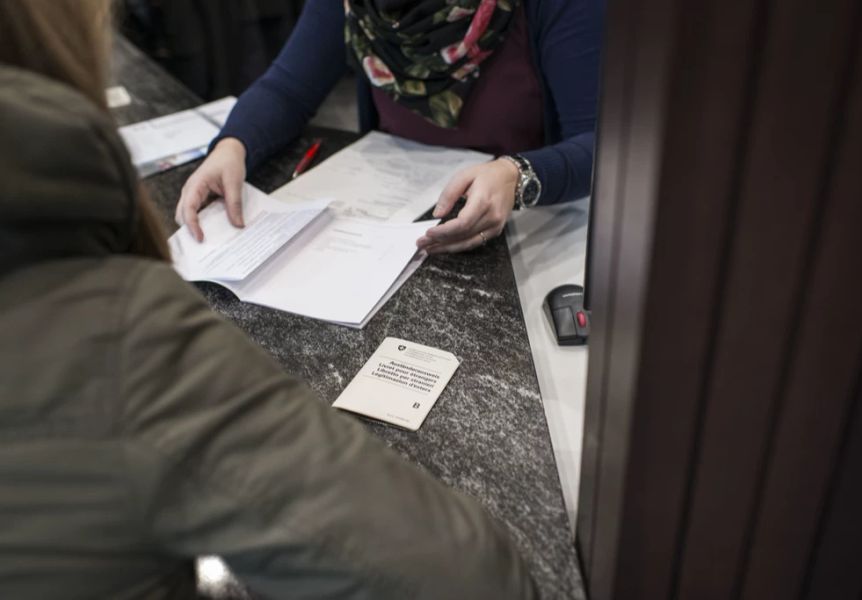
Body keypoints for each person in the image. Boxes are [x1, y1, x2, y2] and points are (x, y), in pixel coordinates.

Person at [0, 2, 537, 598]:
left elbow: (622, 139)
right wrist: (235, 142)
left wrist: (524, 173)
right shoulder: (116, 339)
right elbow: (470, 578)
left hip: (541, 238)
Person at [177, 0, 602, 253]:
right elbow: (289, 89)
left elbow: (602, 145)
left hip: (527, 232)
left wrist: (518, 174)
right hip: (393, 230)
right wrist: (233, 145)